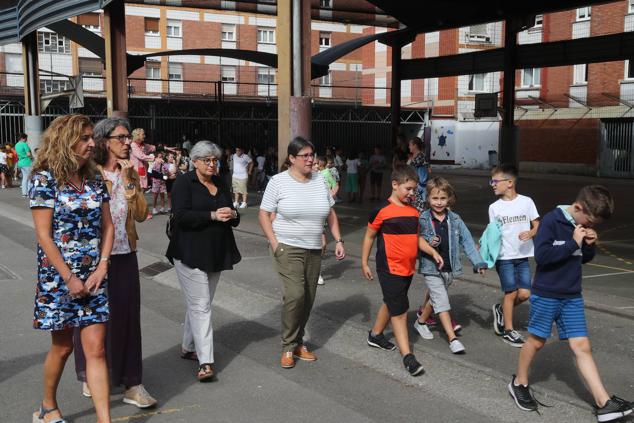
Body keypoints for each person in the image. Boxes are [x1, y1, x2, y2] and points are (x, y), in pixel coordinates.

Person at [508, 186, 634, 422]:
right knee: (536, 341)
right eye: (589, 221)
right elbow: (543, 257)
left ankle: (603, 403)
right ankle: (519, 382)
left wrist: (588, 245)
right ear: (578, 208)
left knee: (582, 346)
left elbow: (582, 258)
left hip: (572, 296)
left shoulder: (582, 225)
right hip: (547, 294)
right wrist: (573, 243)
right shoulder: (551, 221)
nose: (591, 225)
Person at [29, 114, 114, 423]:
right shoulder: (44, 178)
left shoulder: (95, 179)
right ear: (66, 141)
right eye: (84, 138)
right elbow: (43, 235)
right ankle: (48, 407)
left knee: (97, 350)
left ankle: (104, 420)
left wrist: (102, 266)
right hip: (59, 279)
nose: (92, 143)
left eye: (92, 137)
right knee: (63, 347)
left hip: (94, 277)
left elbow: (108, 226)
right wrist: (69, 277)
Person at [73, 117, 156, 409]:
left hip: (125, 253)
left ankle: (133, 382)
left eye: (128, 138)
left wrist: (131, 183)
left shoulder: (129, 173)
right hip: (93, 258)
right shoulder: (89, 174)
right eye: (121, 137)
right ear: (104, 140)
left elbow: (143, 213)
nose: (127, 143)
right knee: (93, 319)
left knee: (128, 317)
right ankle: (89, 373)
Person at [259, 137, 345, 369]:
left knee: (308, 297)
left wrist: (338, 239)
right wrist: (275, 243)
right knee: (295, 294)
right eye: (305, 155)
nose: (310, 159)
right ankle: (288, 345)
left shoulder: (320, 180)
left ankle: (298, 343)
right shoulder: (278, 181)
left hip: (315, 248)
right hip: (287, 246)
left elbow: (330, 213)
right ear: (291, 159)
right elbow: (264, 214)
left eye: (312, 154)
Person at [166, 141, 241, 382]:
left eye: (215, 160)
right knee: (201, 306)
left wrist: (233, 213)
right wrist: (211, 215)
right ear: (195, 161)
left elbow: (233, 215)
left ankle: (188, 346)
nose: (211, 164)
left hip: (216, 252)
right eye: (207, 160)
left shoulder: (219, 182)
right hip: (189, 251)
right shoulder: (184, 182)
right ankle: (205, 361)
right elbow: (180, 216)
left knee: (201, 302)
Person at [361, 165, 439, 377]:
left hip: (407, 267)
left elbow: (416, 239)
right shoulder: (381, 211)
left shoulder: (414, 212)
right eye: (408, 189)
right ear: (395, 185)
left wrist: (433, 251)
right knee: (400, 309)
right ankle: (408, 356)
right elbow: (369, 236)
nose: (412, 193)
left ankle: (375, 335)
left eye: (414, 190)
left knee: (392, 300)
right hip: (388, 267)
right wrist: (364, 262)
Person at [413, 177, 487, 354]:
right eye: (435, 198)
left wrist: (478, 262)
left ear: (449, 199)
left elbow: (468, 241)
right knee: (442, 301)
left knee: (435, 298)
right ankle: (452, 339)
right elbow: (416, 240)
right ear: (428, 199)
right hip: (431, 267)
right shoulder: (423, 219)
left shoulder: (455, 219)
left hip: (449, 267)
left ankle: (420, 322)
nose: (439, 203)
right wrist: (429, 242)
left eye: (442, 198)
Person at [488, 164, 540, 347]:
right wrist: (486, 253)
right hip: (504, 257)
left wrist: (531, 233)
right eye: (491, 181)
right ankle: (509, 331)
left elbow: (537, 224)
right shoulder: (494, 208)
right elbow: (492, 233)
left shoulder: (527, 202)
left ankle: (500, 310)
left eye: (495, 181)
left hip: (522, 255)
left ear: (509, 183)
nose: (492, 184)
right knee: (510, 293)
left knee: (525, 294)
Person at [130, 128, 155, 194]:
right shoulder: (133, 145)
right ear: (137, 135)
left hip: (142, 169)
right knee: (138, 190)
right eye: (143, 134)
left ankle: (139, 203)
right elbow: (141, 156)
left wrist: (165, 148)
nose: (144, 136)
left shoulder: (143, 145)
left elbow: (152, 148)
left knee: (142, 189)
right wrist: (154, 159)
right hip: (136, 171)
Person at [408, 137, 430, 212]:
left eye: (410, 145)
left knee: (419, 210)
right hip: (414, 186)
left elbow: (410, 169)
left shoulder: (420, 156)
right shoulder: (414, 157)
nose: (409, 147)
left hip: (419, 188)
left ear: (415, 146)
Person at [16, 132, 33, 197]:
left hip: (20, 163)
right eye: (26, 138)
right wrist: (32, 158)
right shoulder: (24, 144)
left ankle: (24, 193)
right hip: (27, 162)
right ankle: (29, 193)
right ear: (23, 138)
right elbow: (28, 154)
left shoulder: (16, 144)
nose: (26, 140)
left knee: (24, 178)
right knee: (30, 178)